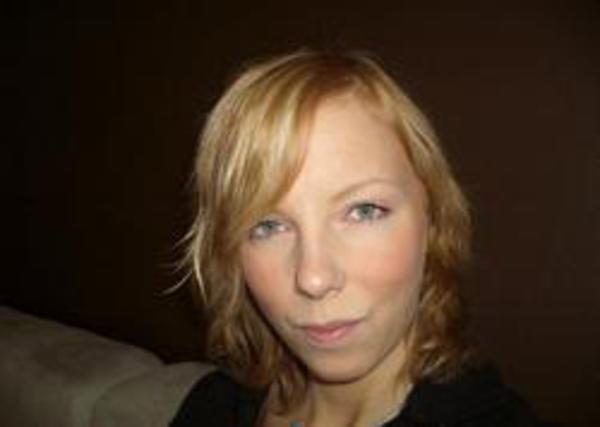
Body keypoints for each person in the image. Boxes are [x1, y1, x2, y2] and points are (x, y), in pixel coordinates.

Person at [171, 50, 548, 427]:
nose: (314, 279)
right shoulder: (214, 405)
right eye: (267, 226)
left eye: (364, 211)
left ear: (432, 217)